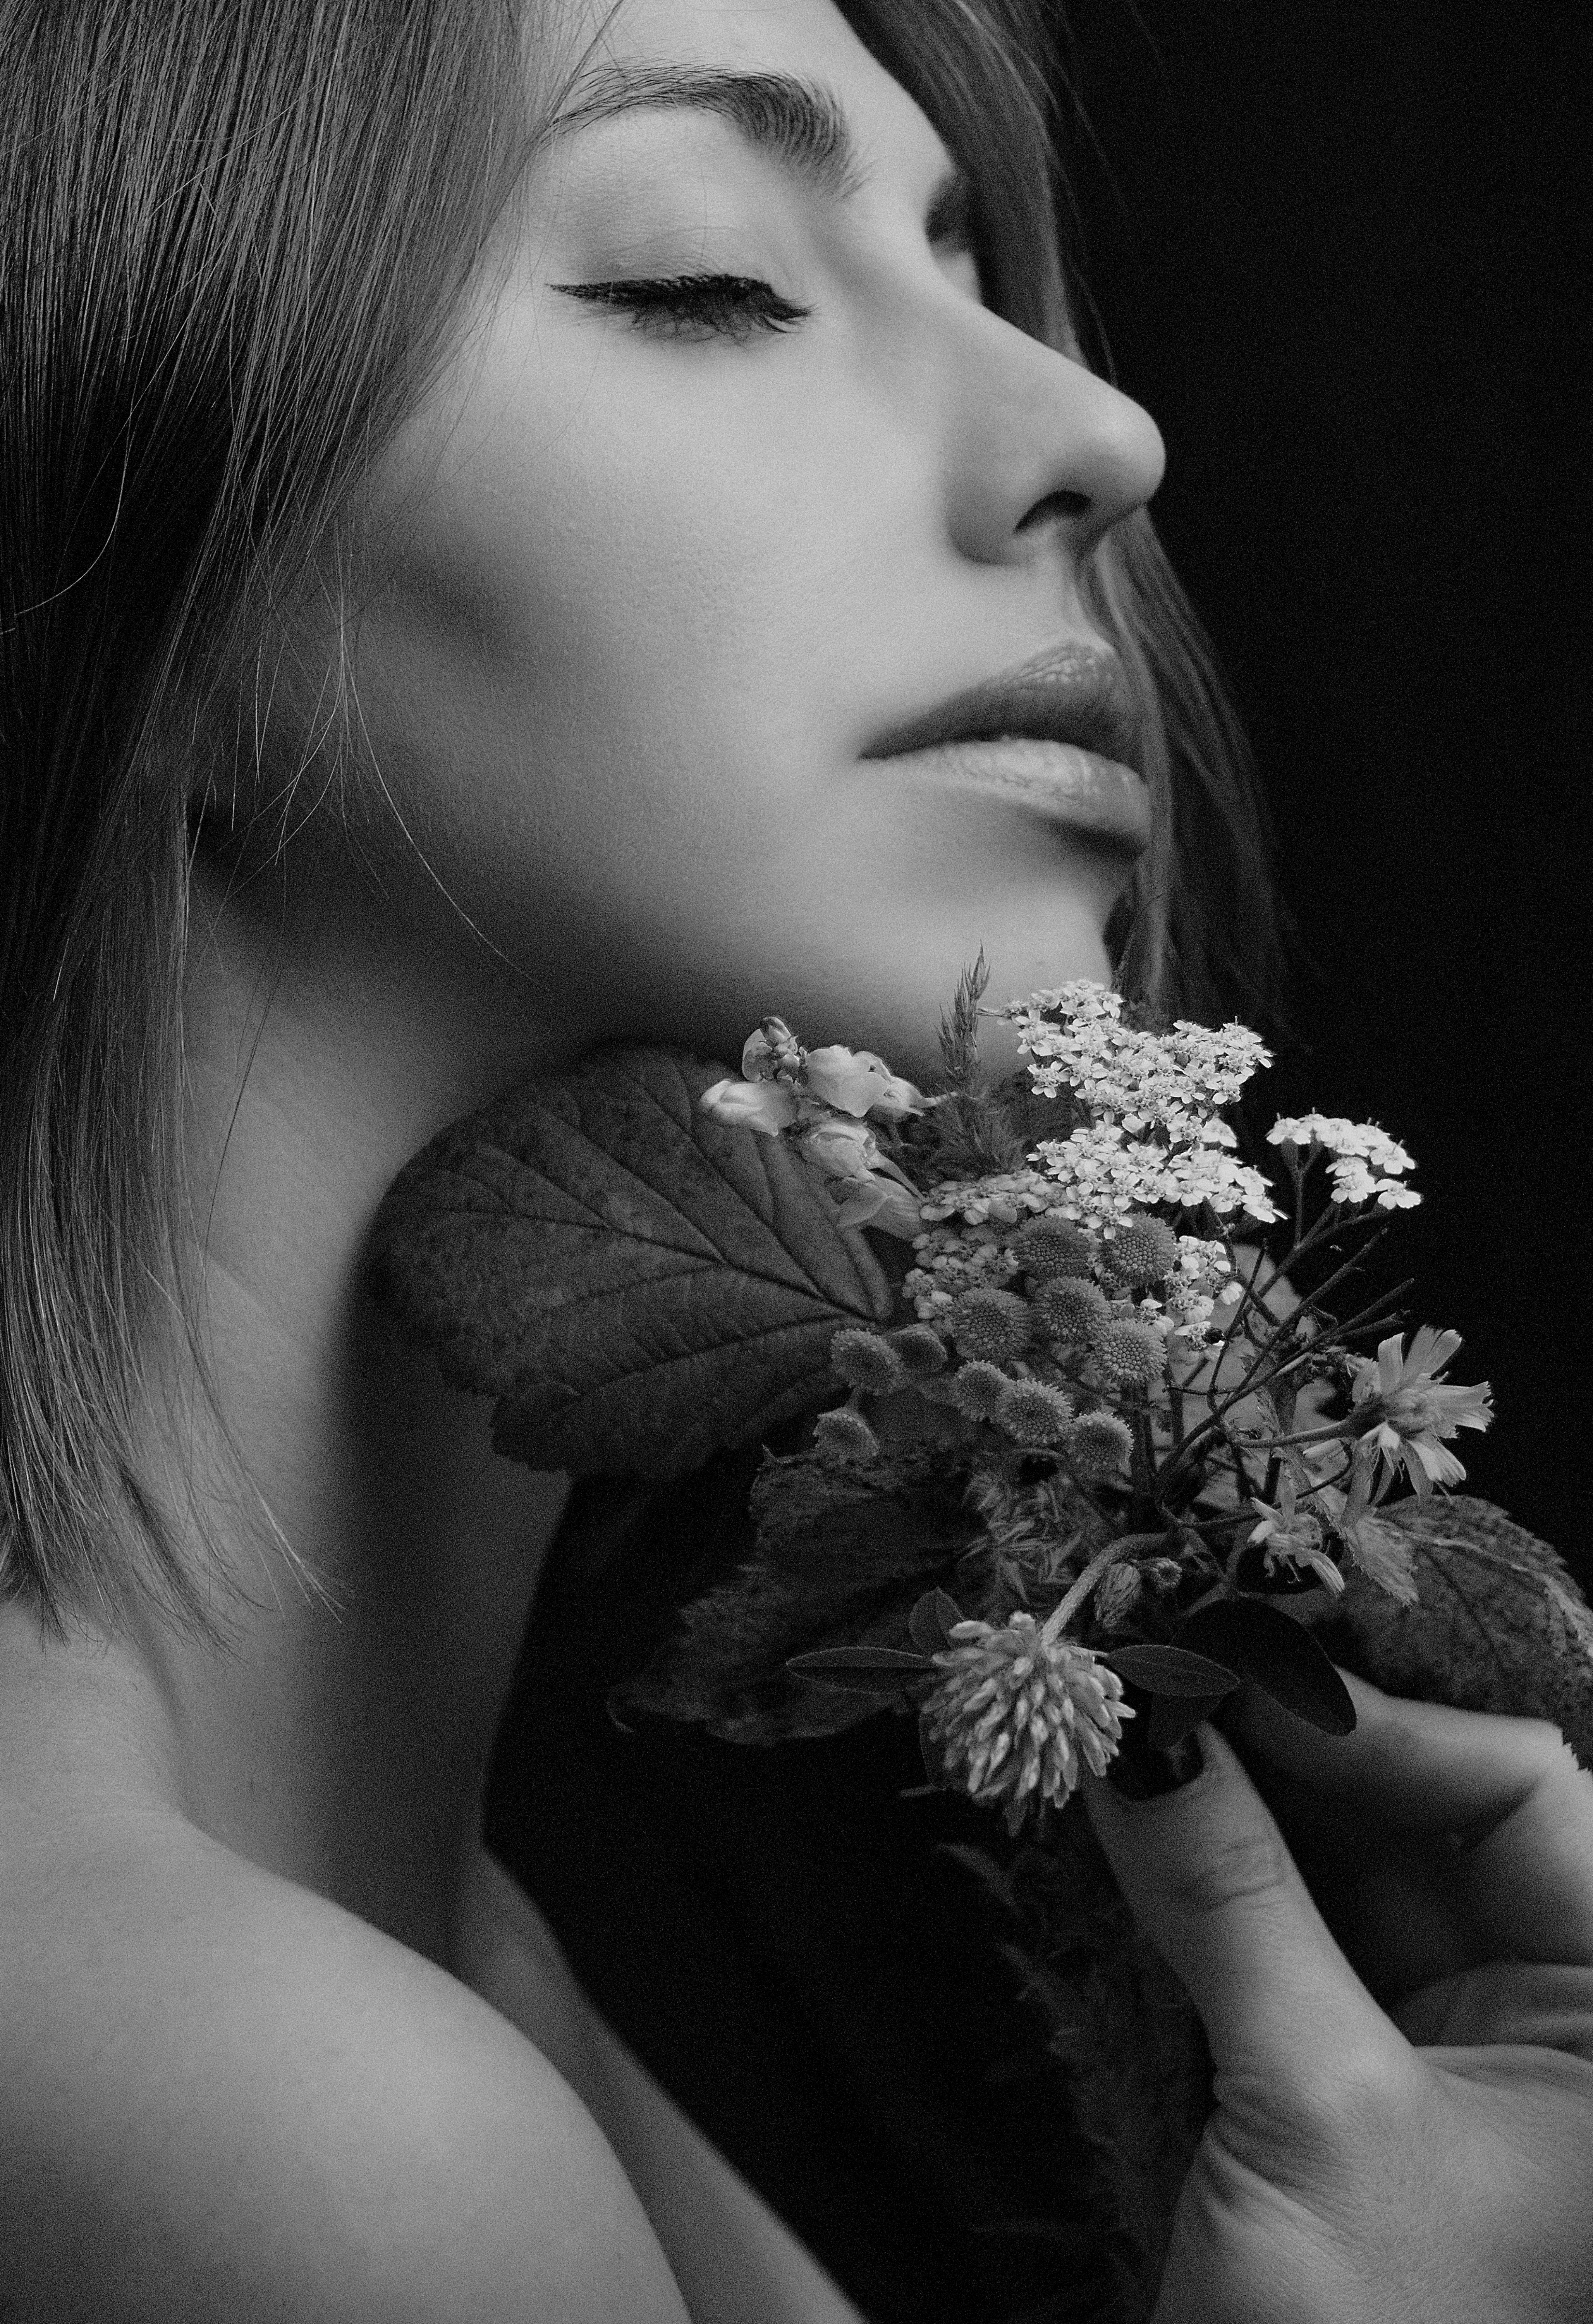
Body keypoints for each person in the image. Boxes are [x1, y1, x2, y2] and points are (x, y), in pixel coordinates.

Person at [1, 0, 1589, 2318]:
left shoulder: (438, 1947)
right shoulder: (261, 2113)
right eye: (698, 282)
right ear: (102, 558)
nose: (1096, 429)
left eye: (968, 265)